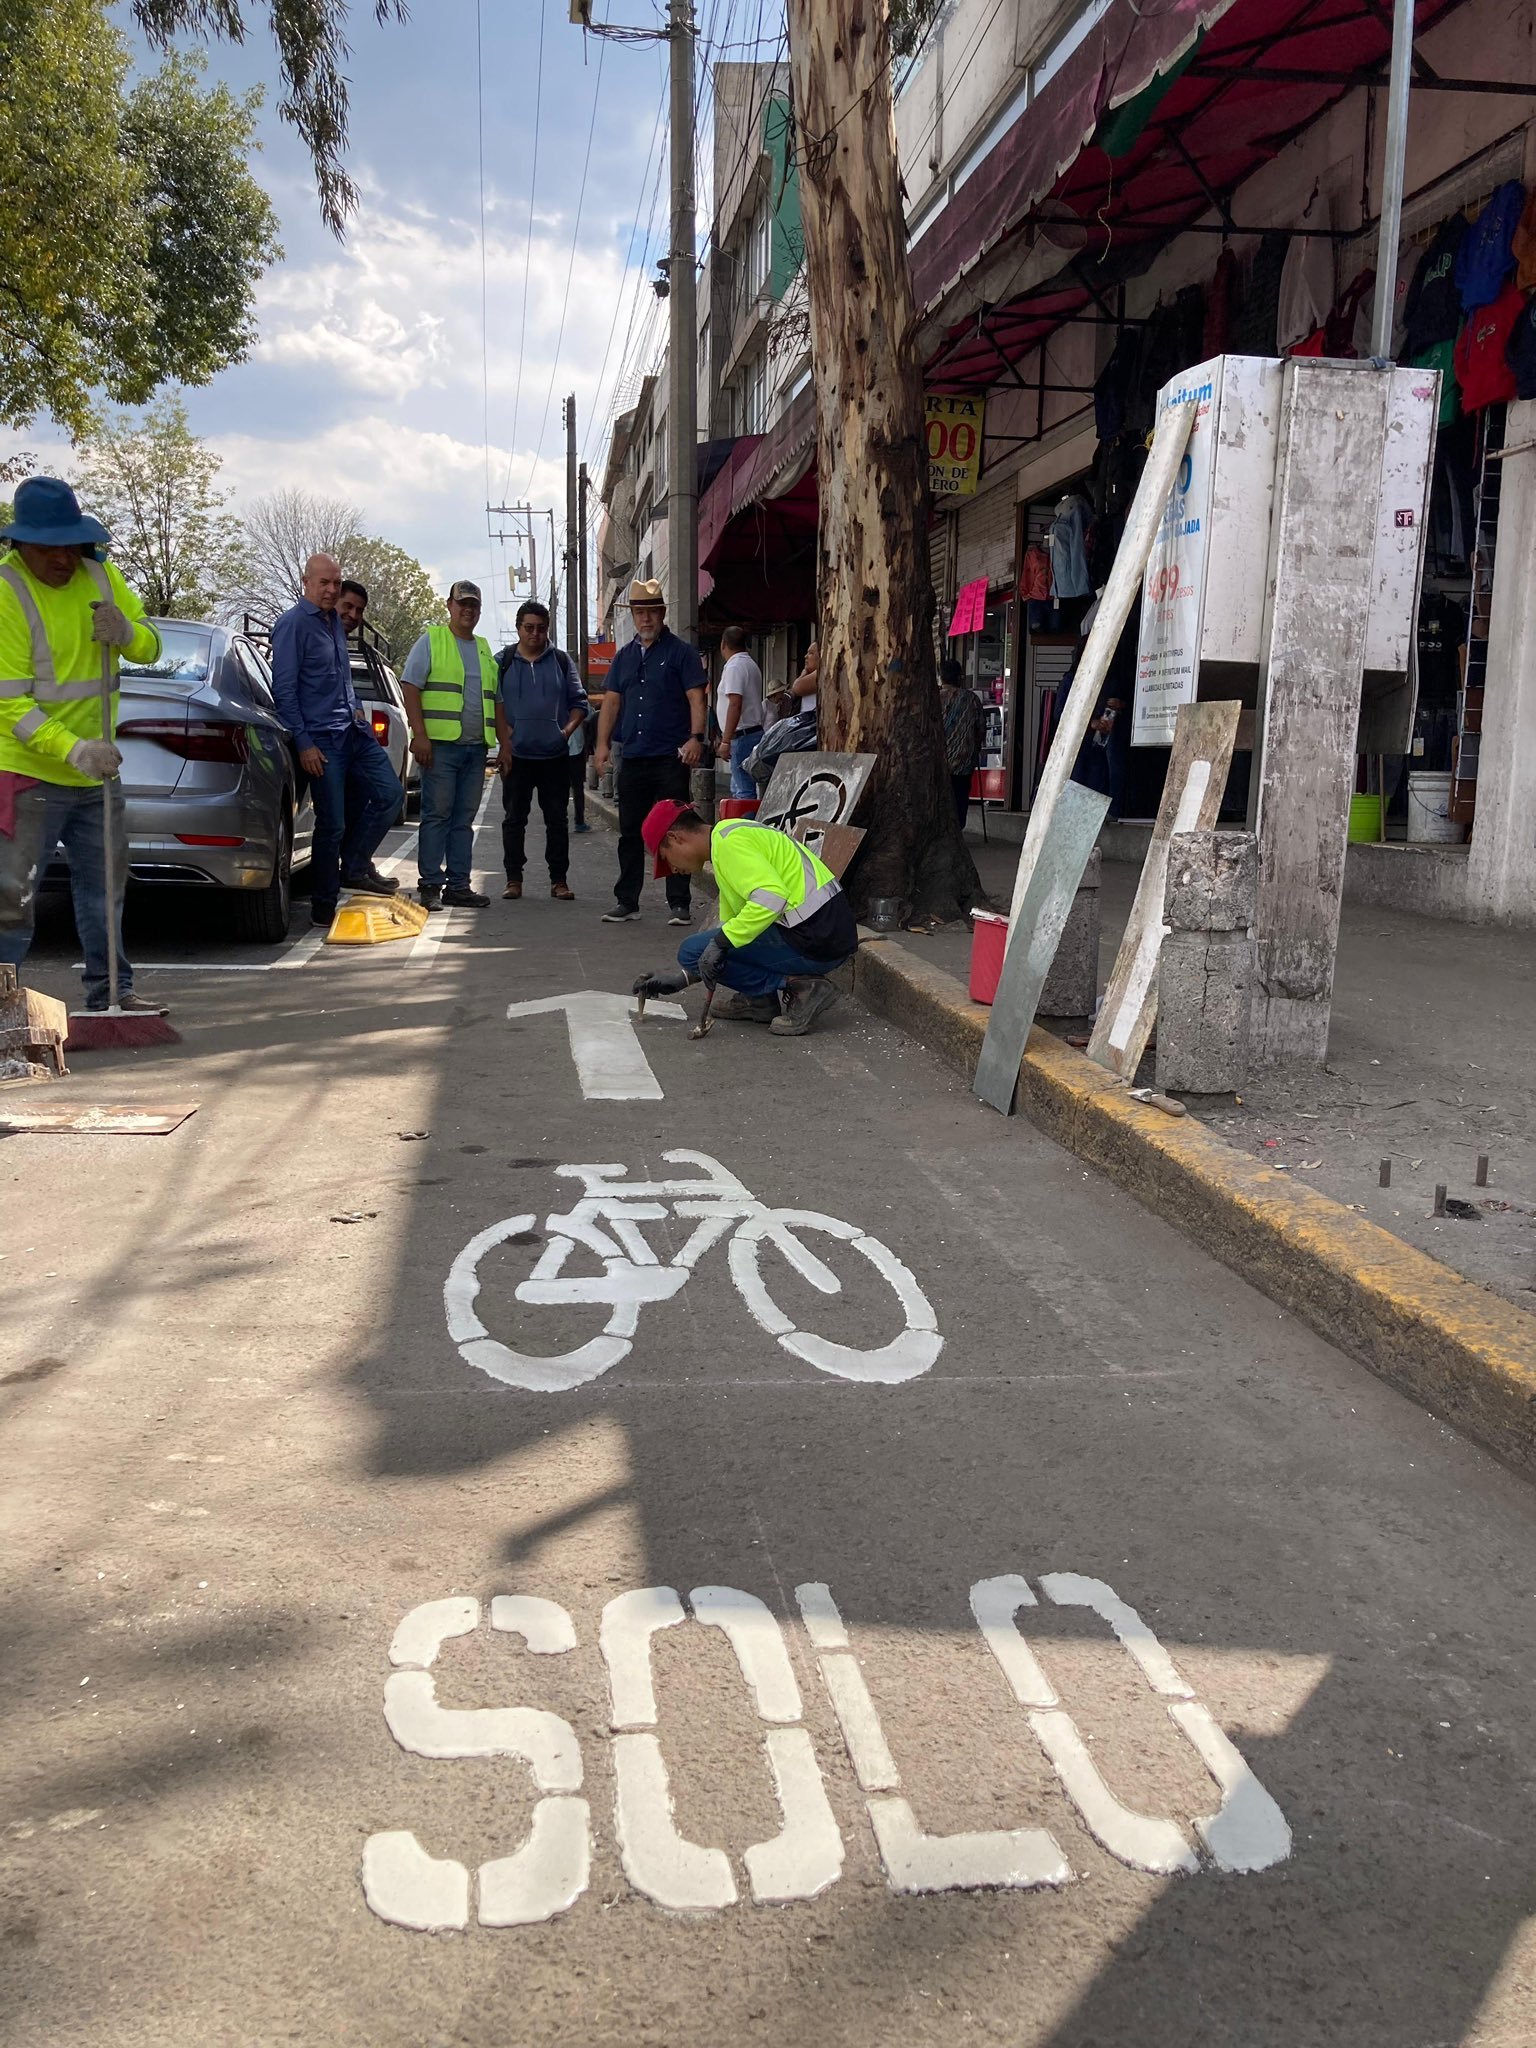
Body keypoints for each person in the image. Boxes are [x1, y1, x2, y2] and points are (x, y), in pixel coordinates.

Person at [0, 476, 168, 1015]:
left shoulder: (101, 574)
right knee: (12, 899)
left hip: (96, 778)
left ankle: (112, 995)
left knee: (105, 893)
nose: (61, 557)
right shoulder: (6, 592)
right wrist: (75, 749)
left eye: (68, 543)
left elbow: (151, 643)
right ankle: (3, 1006)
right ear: (21, 543)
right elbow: (8, 704)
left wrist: (126, 633)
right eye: (47, 546)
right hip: (27, 771)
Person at [630, 801, 856, 1037]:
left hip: (816, 936)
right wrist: (684, 977)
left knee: (692, 950)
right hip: (822, 930)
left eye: (666, 858)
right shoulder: (729, 835)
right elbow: (732, 926)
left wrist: (712, 948)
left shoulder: (729, 845)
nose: (673, 870)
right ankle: (759, 1000)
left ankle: (804, 988)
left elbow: (771, 898)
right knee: (711, 945)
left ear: (675, 838)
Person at [272, 552, 403, 926]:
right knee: (332, 823)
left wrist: (356, 708)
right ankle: (323, 906)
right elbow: (285, 691)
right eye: (324, 583)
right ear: (306, 582)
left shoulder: (333, 623)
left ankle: (356, 866)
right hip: (322, 742)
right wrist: (304, 743)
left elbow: (337, 678)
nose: (331, 590)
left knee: (390, 795)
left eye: (335, 583)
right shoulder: (293, 625)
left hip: (353, 732)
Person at [593, 578, 707, 926]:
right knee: (630, 830)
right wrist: (600, 746)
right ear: (634, 616)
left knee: (677, 829)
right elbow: (611, 703)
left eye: (651, 612)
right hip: (635, 757)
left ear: (661, 614)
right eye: (640, 613)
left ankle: (679, 903)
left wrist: (696, 738)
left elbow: (696, 698)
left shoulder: (681, 653)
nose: (646, 619)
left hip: (671, 757)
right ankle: (626, 901)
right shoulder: (624, 657)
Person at [399, 581, 495, 911]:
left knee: (463, 820)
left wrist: (500, 745)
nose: (468, 609)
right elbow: (410, 686)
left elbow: (494, 699)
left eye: (474, 605)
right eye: (462, 603)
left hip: (474, 749)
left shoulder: (483, 648)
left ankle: (458, 885)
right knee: (436, 815)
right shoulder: (432, 640)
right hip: (440, 747)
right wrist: (420, 735)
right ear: (449, 605)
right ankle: (429, 886)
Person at [495, 599, 587, 902]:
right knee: (514, 819)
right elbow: (489, 703)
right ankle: (513, 879)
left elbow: (580, 703)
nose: (535, 634)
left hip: (554, 757)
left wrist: (565, 733)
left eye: (541, 628)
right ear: (519, 628)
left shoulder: (561, 661)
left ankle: (559, 881)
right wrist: (506, 737)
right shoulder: (502, 662)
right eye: (529, 628)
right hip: (516, 756)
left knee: (557, 820)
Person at [713, 625, 765, 799]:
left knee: (743, 790)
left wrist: (726, 740)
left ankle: (745, 825)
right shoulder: (750, 664)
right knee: (740, 788)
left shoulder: (735, 667)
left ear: (723, 644)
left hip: (742, 736)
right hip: (750, 732)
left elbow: (735, 704)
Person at [939, 657, 985, 829]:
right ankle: (957, 828)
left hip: (939, 761)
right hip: (964, 759)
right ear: (959, 677)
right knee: (960, 795)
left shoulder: (934, 698)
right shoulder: (971, 699)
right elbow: (980, 729)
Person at [569, 691, 596, 834]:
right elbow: (590, 714)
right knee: (578, 788)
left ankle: (559, 818)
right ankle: (579, 822)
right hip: (576, 749)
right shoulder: (579, 700)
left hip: (558, 749)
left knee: (558, 787)